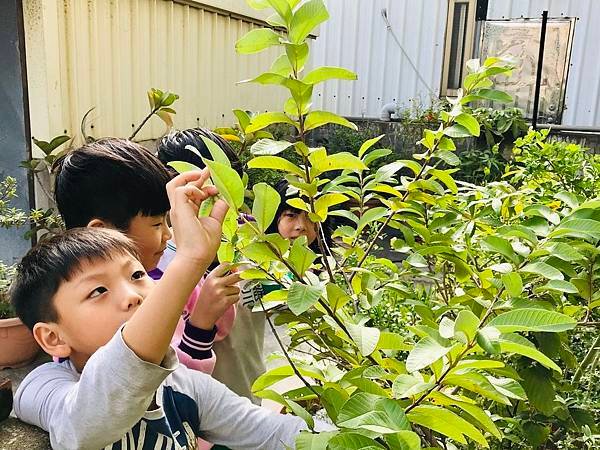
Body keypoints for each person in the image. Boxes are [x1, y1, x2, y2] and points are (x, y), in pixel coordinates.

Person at [11, 170, 315, 449]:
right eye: (98, 291)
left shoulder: (184, 387)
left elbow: (269, 432)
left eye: (137, 275)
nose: (133, 295)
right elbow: (84, 423)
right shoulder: (42, 387)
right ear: (53, 338)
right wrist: (190, 261)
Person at [53, 138, 238, 375]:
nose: (168, 234)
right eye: (156, 223)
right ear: (104, 232)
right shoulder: (89, 311)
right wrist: (200, 324)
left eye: (167, 220)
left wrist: (209, 288)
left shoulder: (164, 275)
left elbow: (219, 330)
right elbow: (163, 389)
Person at [157, 128, 266, 404]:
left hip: (251, 399)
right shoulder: (160, 268)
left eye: (225, 186)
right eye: (203, 192)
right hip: (201, 418)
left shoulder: (255, 242)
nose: (217, 201)